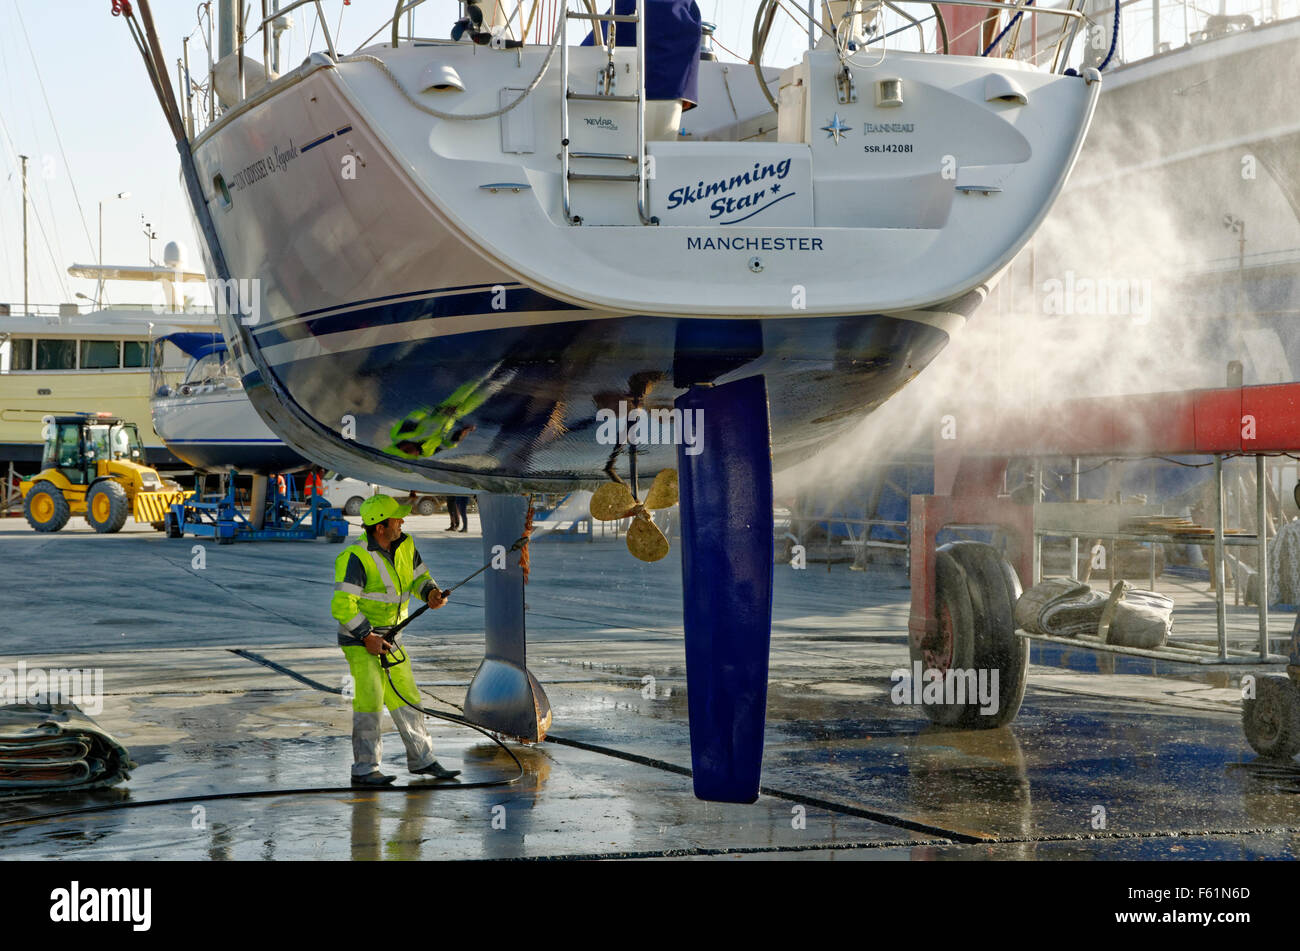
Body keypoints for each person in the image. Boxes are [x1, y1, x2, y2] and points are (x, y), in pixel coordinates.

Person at [330, 494, 460, 786]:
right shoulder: (355, 557)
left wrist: (430, 594)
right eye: (396, 518)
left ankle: (423, 760)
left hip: (391, 637)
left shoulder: (406, 544)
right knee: (371, 699)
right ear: (379, 527)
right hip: (360, 639)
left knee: (407, 696)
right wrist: (367, 636)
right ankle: (365, 769)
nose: (402, 521)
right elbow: (342, 606)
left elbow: (419, 578)